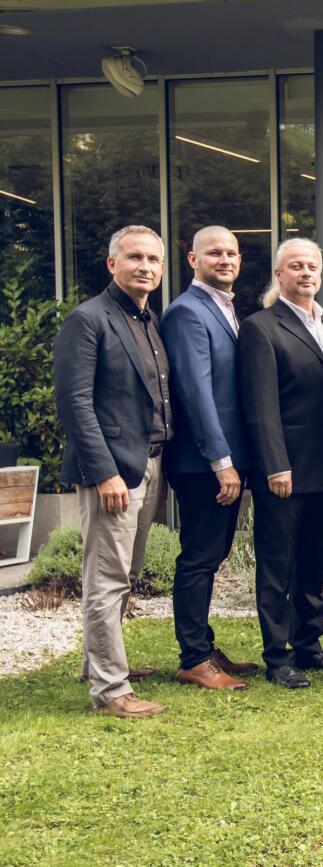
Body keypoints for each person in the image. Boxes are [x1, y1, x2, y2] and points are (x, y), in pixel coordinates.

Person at [53, 225, 173, 718]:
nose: (145, 266)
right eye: (135, 257)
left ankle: (98, 664)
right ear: (112, 264)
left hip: (149, 464)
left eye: (153, 259)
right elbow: (75, 402)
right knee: (106, 579)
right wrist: (105, 473)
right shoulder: (88, 320)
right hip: (113, 472)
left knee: (126, 573)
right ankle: (110, 691)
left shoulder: (148, 320)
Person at [239, 237, 323, 688]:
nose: (305, 273)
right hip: (285, 470)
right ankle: (277, 656)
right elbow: (260, 405)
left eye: (312, 266)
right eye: (296, 266)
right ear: (279, 274)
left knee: (314, 561)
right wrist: (275, 466)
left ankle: (309, 645)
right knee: (277, 566)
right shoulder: (261, 327)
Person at [159, 226, 257, 691]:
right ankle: (194, 658)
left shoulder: (225, 308)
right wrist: (222, 462)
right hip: (204, 463)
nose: (225, 259)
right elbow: (195, 393)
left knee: (213, 553)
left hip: (225, 459)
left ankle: (204, 645)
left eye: (231, 252)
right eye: (214, 252)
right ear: (192, 260)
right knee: (199, 556)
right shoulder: (187, 311)